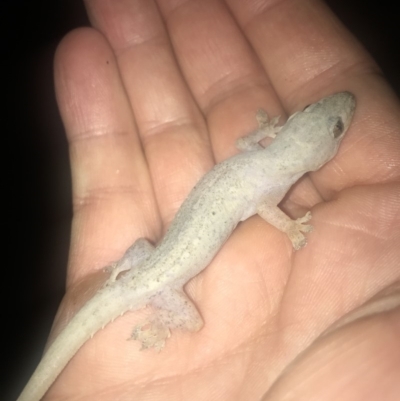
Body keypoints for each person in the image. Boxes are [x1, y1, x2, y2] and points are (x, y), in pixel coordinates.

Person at [47, 0, 400, 400]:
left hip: (141, 267)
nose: (341, 118)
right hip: (157, 286)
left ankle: (119, 271)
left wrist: (270, 131)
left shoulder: (262, 159)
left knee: (143, 253)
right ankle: (161, 316)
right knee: (193, 323)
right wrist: (291, 227)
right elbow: (267, 208)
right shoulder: (274, 185)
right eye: (328, 119)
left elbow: (243, 143)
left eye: (333, 126)